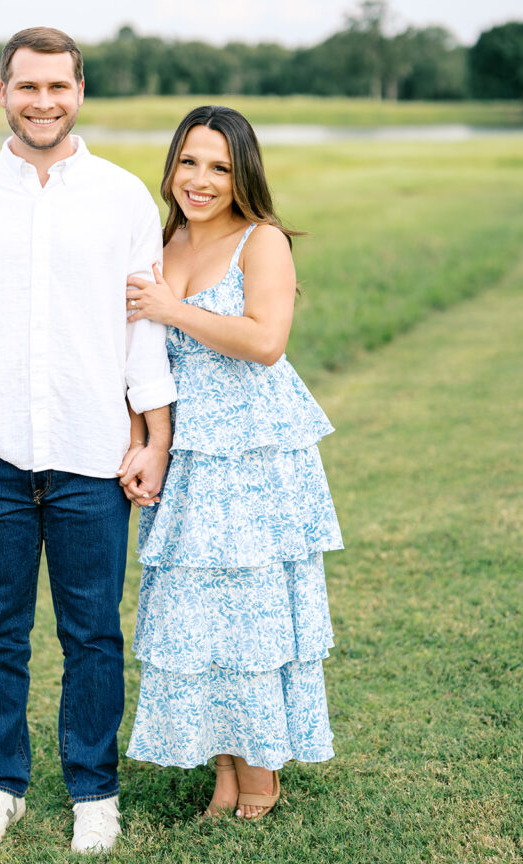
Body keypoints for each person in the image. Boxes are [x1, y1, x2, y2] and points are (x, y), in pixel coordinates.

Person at [0, 27, 176, 854]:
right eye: (28, 86)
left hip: (94, 449)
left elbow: (144, 327)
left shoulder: (122, 198)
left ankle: (94, 791)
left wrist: (152, 436)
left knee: (92, 633)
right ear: (4, 92)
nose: (43, 102)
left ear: (79, 92)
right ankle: (0, 786)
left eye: (58, 86)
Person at [120, 105, 343, 819]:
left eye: (219, 167)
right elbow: (138, 358)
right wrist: (142, 440)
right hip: (187, 454)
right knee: (198, 614)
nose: (201, 179)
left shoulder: (260, 240)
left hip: (252, 453)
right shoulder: (161, 244)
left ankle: (261, 771)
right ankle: (224, 768)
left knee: (251, 613)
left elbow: (265, 341)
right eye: (188, 162)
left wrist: (171, 308)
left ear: (242, 174)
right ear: (171, 167)